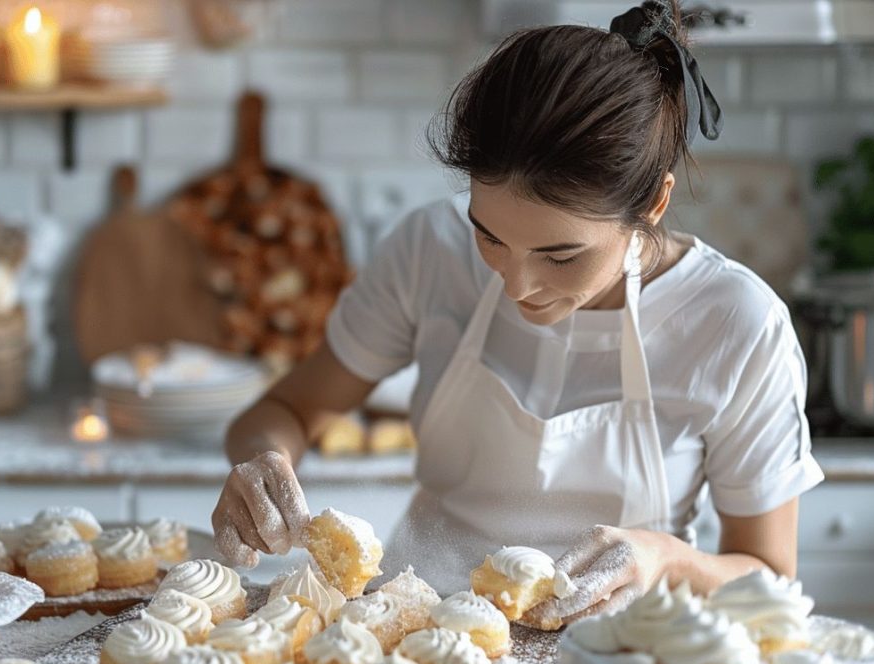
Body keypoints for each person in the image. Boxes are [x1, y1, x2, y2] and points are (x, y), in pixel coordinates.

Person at [211, 0, 823, 627]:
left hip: (617, 663)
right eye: (491, 237)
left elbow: (769, 578)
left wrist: (660, 560)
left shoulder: (736, 323)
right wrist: (262, 463)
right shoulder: (430, 252)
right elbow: (282, 412)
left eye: (560, 256)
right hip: (413, 633)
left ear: (656, 203)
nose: (517, 285)